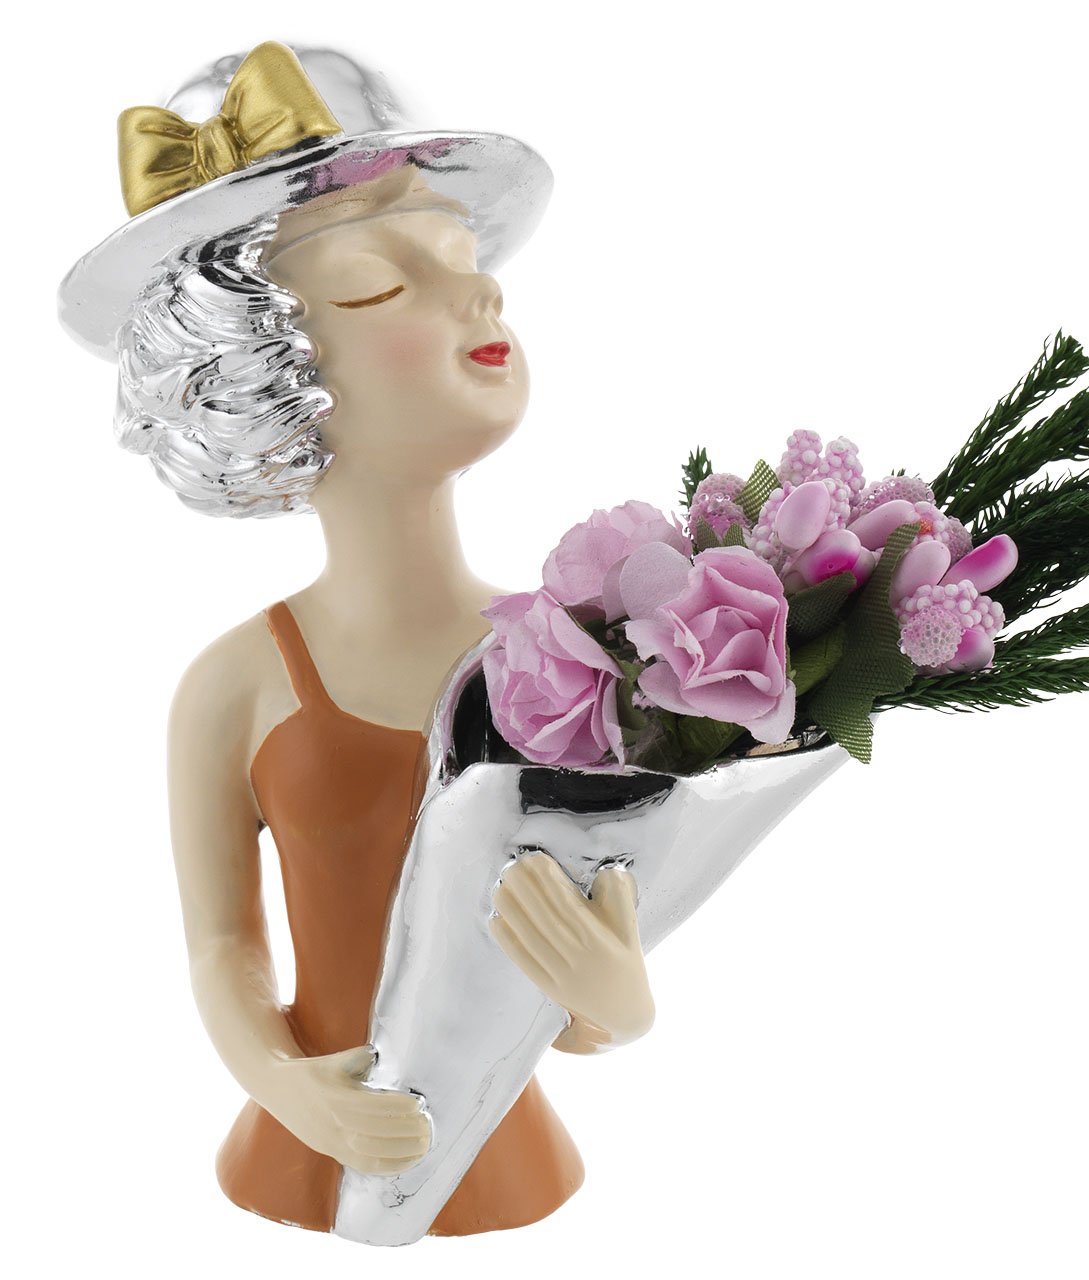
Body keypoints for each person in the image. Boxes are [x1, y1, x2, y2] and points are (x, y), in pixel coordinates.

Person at [59, 41, 655, 1237]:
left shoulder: (568, 654)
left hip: (506, 1151)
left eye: (464, 265)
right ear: (267, 373)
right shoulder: (234, 684)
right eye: (379, 286)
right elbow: (222, 943)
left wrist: (617, 1003)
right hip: (303, 1152)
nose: (479, 297)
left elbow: (595, 920)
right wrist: (284, 1084)